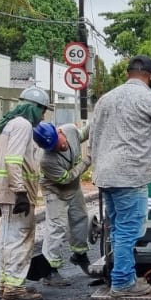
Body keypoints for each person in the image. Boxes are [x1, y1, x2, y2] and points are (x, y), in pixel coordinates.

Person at [89, 55, 151, 297]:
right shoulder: (148, 98)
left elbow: (92, 134)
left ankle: (121, 276)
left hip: (106, 174)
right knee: (129, 230)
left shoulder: (106, 99)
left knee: (117, 228)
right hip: (130, 174)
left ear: (127, 73)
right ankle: (123, 282)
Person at [0, 86, 50, 300]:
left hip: (5, 193)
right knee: (20, 239)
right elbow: (13, 160)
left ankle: (6, 285)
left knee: (7, 241)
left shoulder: (7, 126)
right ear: (34, 108)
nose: (43, 117)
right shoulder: (23, 125)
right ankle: (15, 289)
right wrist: (21, 192)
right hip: (18, 195)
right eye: (43, 111)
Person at [32, 118, 92, 287]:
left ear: (60, 132)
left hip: (73, 187)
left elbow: (83, 134)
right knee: (57, 226)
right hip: (55, 190)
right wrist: (87, 161)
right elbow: (66, 178)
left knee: (80, 218)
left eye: (60, 143)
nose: (60, 148)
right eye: (53, 148)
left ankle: (80, 255)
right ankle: (49, 269)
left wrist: (98, 120)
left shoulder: (70, 130)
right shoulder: (46, 160)